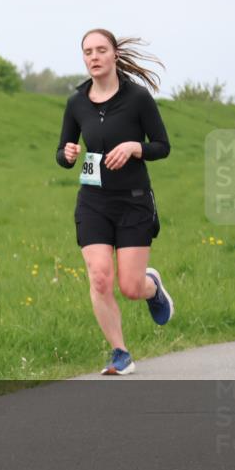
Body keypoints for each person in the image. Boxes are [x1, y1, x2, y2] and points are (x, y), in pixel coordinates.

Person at [55, 28, 175, 376]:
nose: (93, 56)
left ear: (114, 55)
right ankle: (120, 353)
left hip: (134, 201)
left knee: (130, 287)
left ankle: (151, 288)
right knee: (100, 278)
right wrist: (67, 153)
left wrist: (135, 147)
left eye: (100, 50)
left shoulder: (137, 98)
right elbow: (62, 153)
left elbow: (162, 146)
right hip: (93, 201)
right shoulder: (76, 102)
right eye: (87, 51)